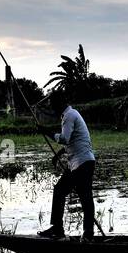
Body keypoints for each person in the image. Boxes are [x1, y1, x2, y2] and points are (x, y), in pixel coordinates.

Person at [40, 101, 97, 240]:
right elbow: (72, 141)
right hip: (82, 163)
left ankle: (61, 230)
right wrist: (58, 155)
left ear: (59, 104)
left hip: (82, 164)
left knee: (64, 192)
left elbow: (65, 139)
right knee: (83, 197)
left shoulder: (69, 116)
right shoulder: (71, 115)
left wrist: (46, 131)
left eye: (52, 105)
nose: (52, 108)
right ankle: (86, 233)